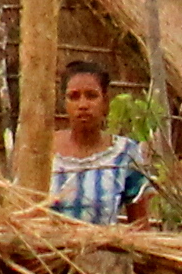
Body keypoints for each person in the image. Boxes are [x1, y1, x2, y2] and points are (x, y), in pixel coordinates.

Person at [45, 57, 154, 225]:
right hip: (48, 249)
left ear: (105, 101)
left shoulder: (125, 153)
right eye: (74, 97)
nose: (83, 105)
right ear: (64, 103)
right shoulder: (43, 151)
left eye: (91, 96)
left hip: (103, 250)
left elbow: (139, 226)